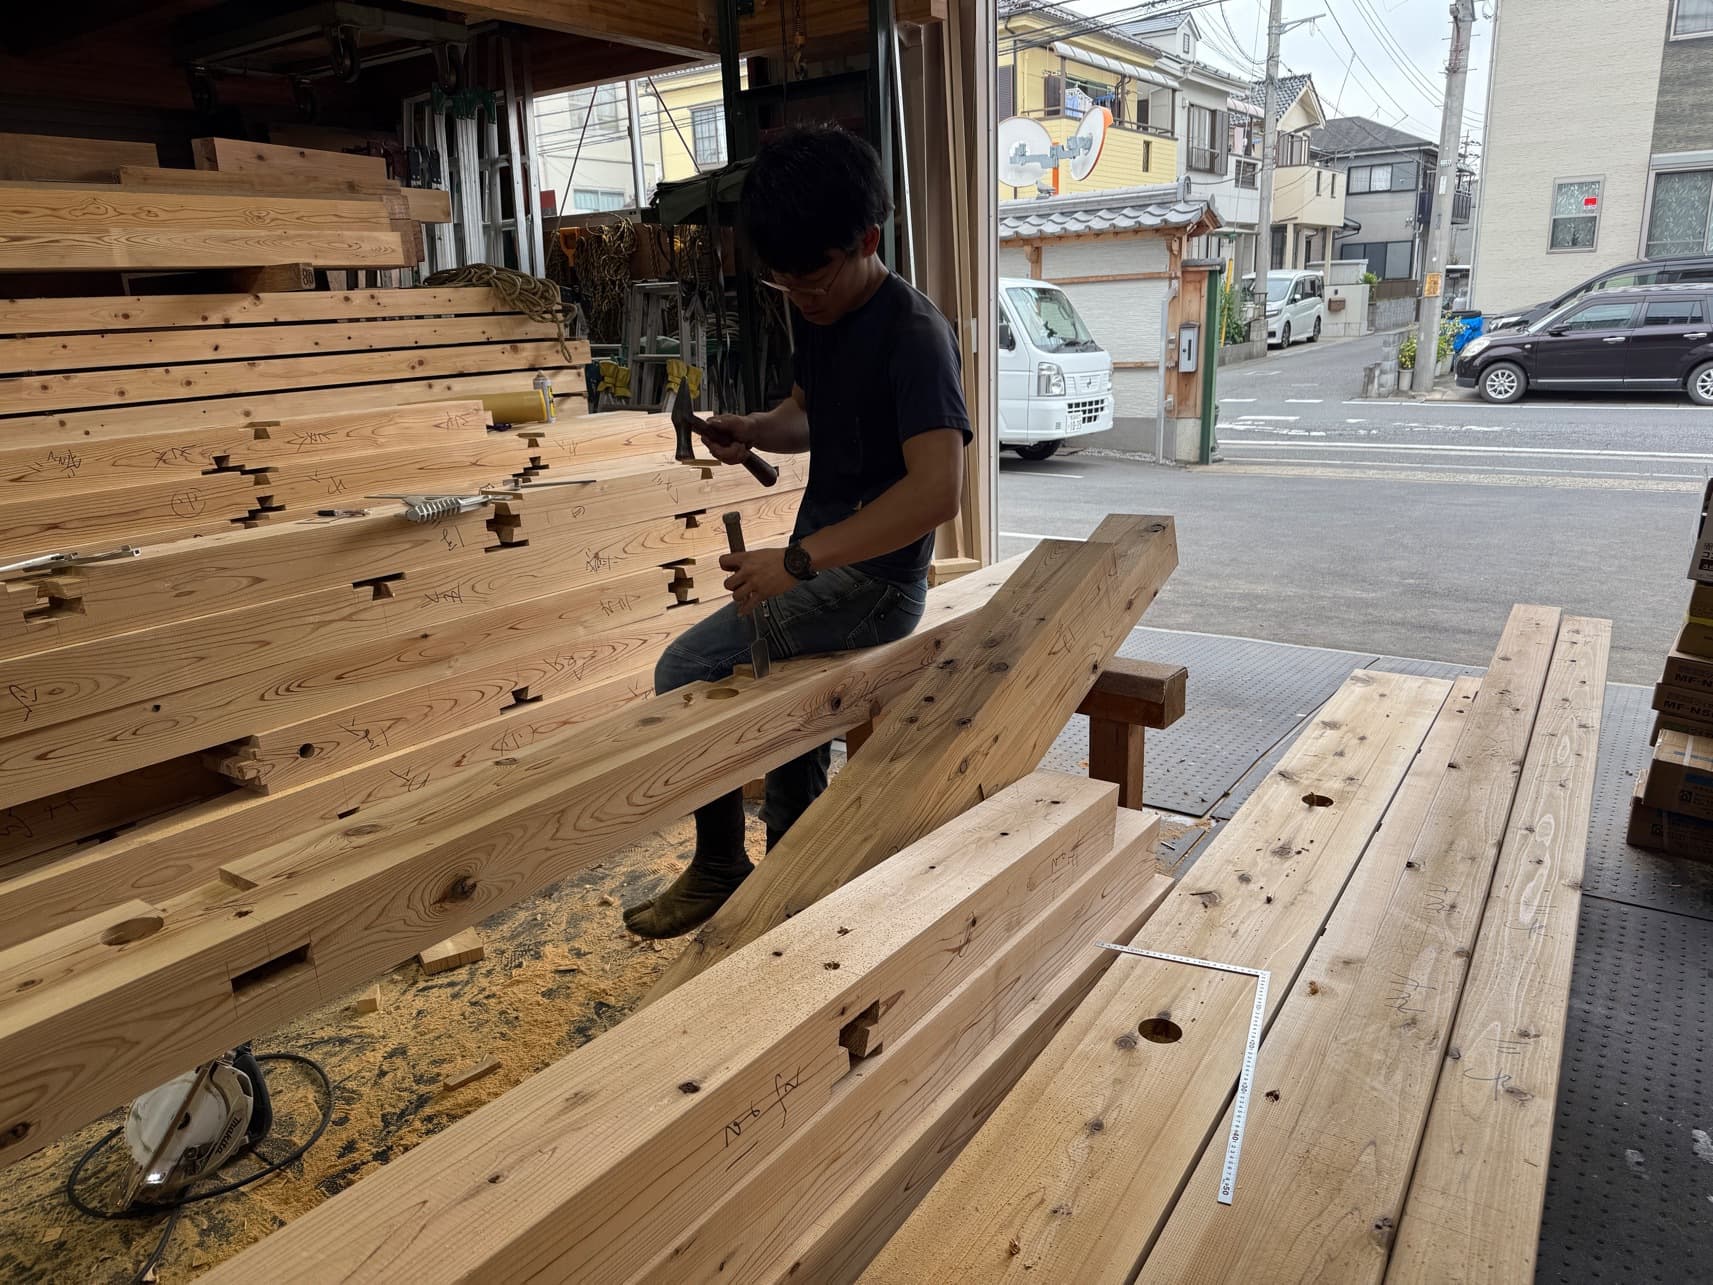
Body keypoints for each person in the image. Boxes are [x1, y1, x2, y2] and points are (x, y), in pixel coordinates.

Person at [623, 123, 971, 939]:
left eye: (810, 279)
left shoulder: (915, 337)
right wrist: (751, 428)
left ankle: (724, 867)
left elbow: (936, 492)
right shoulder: (820, 311)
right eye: (782, 282)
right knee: (783, 717)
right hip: (826, 564)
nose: (799, 296)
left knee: (686, 667)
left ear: (867, 241)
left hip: (878, 583)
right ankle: (787, 876)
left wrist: (799, 560)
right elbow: (809, 417)